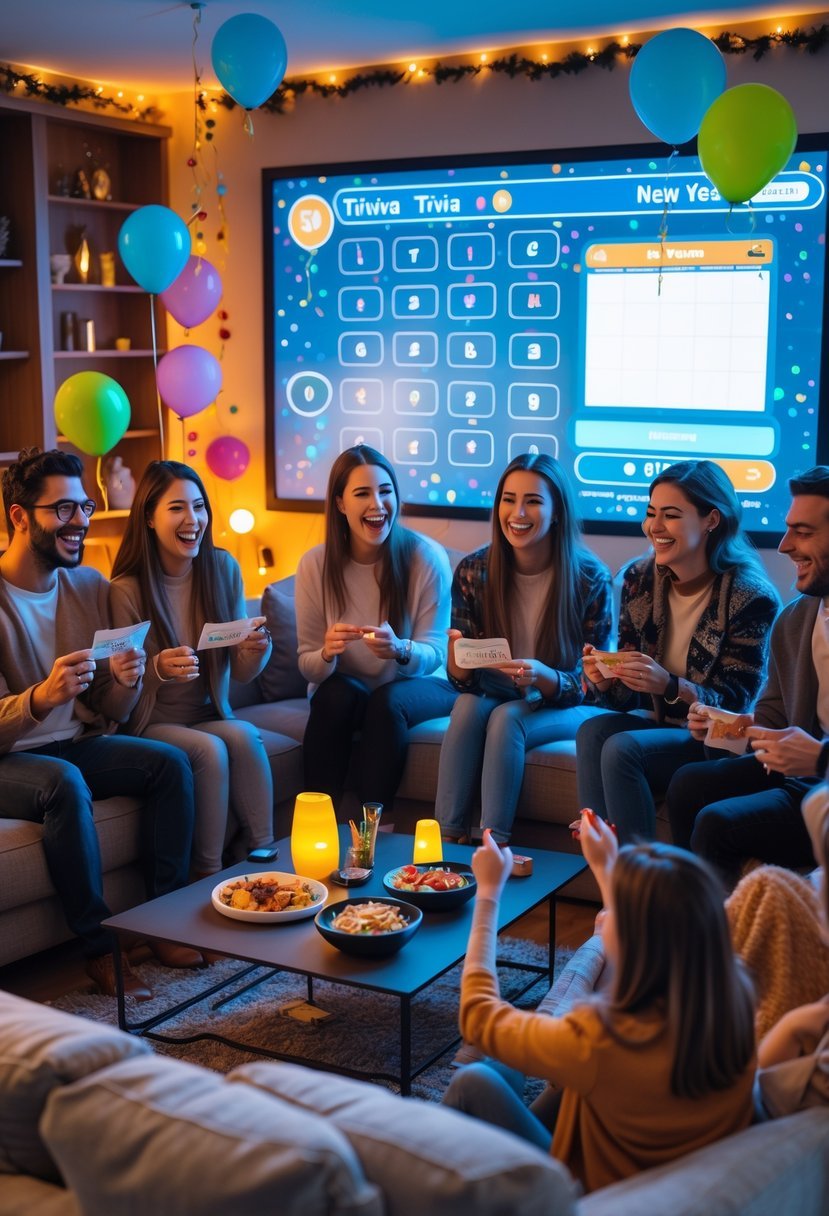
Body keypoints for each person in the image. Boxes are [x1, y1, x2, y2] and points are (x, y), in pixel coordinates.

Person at [442, 818, 756, 1194]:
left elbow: (477, 1017)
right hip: (650, 1171)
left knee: (474, 1081)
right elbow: (652, 939)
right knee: (505, 1066)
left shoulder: (600, 1039)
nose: (605, 922)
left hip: (585, 1192)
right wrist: (607, 866)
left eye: (615, 920)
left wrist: (489, 893)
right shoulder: (733, 1001)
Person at [0, 448, 197, 999]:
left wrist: (128, 680)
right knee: (64, 784)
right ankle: (98, 950)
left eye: (85, 506)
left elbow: (112, 710)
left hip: (75, 743)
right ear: (19, 517)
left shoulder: (88, 587)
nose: (82, 521)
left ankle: (163, 923)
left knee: (169, 764)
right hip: (10, 759)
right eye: (63, 510)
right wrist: (40, 698)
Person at [576, 460, 779, 844]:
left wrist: (671, 685)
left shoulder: (750, 597)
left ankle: (645, 883)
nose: (654, 527)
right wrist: (606, 677)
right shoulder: (639, 580)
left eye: (671, 515)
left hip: (713, 741)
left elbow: (737, 705)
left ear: (711, 521)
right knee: (592, 730)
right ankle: (606, 871)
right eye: (651, 513)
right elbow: (622, 701)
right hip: (658, 728)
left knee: (622, 748)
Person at [435, 453, 612, 845]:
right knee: (466, 707)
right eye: (509, 499)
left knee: (507, 720)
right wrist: (460, 666)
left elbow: (598, 684)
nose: (517, 512)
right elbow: (464, 684)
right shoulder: (473, 571)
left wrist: (546, 677)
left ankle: (493, 845)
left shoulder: (589, 577)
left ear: (557, 512)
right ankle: (444, 845)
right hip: (498, 689)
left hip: (565, 701)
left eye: (533, 501)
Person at [110, 461, 274, 877]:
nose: (193, 520)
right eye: (177, 508)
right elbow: (122, 682)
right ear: (148, 517)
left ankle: (267, 857)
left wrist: (257, 648)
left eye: (199, 506)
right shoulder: (126, 589)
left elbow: (241, 673)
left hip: (208, 713)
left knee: (246, 736)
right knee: (210, 750)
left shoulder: (222, 569)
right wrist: (156, 668)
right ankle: (208, 872)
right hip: (153, 721)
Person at [666, 466, 829, 885]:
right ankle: (683, 917)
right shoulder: (796, 620)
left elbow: (809, 753)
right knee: (688, 784)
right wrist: (725, 728)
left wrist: (820, 758)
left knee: (719, 823)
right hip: (803, 779)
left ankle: (718, 947)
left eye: (803, 532)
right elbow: (773, 723)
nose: (785, 545)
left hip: (820, 782)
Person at [295, 444, 455, 814]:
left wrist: (401, 649)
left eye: (385, 492)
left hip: (422, 683)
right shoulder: (314, 564)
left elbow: (436, 653)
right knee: (335, 695)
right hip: (348, 687)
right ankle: (317, 825)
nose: (377, 504)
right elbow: (307, 664)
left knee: (386, 702)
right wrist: (326, 654)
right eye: (362, 493)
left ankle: (375, 835)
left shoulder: (425, 557)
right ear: (340, 504)